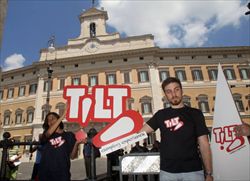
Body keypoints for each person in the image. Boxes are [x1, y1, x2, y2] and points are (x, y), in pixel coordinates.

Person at [140, 77, 213, 181]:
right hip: (167, 172)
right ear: (165, 95)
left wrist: (209, 173)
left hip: (193, 171)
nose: (173, 94)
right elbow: (140, 133)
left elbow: (204, 144)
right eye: (169, 91)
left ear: (182, 90)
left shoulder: (195, 114)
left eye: (176, 89)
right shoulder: (161, 115)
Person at [38, 110, 86, 181]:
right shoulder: (46, 134)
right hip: (45, 173)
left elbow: (73, 157)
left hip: (63, 174)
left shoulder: (69, 135)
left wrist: (76, 144)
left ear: (58, 120)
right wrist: (63, 115)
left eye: (53, 118)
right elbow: (48, 133)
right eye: (48, 120)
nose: (50, 121)